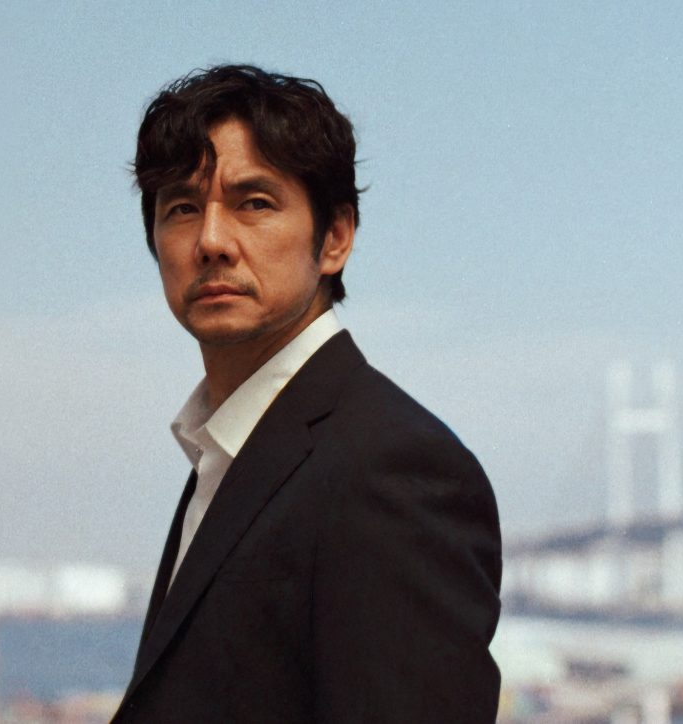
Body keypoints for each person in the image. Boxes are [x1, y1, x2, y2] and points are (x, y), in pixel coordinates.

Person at [112, 64, 502, 723]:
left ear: (336, 238)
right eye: (181, 208)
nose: (211, 241)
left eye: (254, 204)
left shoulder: (388, 469)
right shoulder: (232, 453)